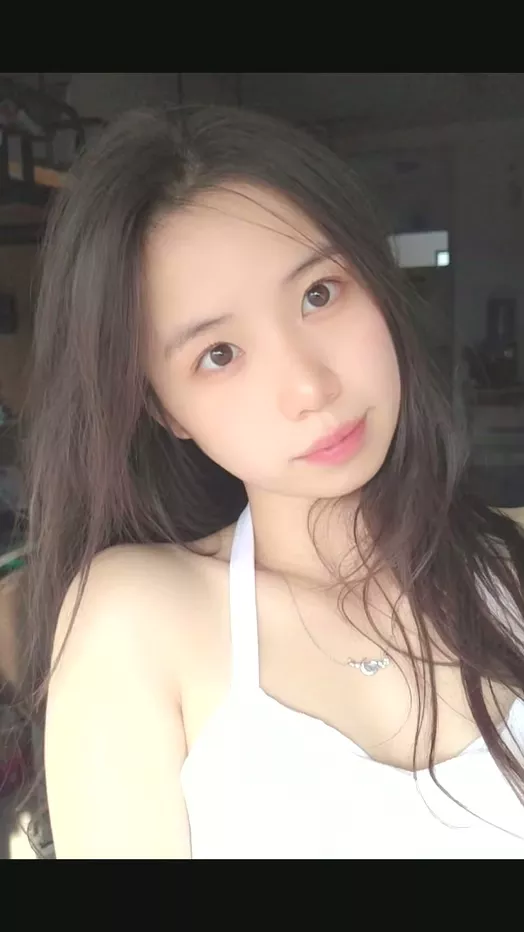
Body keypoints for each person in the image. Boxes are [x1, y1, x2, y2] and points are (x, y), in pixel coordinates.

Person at [24, 106, 524, 859]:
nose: (310, 388)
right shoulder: (140, 619)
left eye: (319, 293)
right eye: (219, 354)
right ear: (165, 409)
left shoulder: (510, 565)